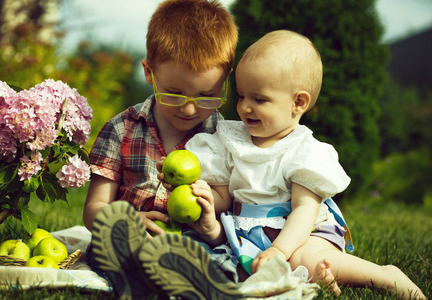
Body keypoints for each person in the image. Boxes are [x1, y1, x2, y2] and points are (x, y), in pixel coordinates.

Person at [177, 30, 426, 299]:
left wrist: (280, 251)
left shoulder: (302, 151)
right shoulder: (231, 141)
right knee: (222, 268)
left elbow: (305, 210)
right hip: (252, 234)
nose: (245, 107)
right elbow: (225, 197)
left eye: (258, 99)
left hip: (302, 232)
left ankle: (385, 275)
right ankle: (315, 278)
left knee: (302, 257)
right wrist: (208, 200)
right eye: (241, 96)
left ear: (298, 102)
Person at [82, 0, 244, 299]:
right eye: (174, 93)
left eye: (207, 95)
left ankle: (187, 280)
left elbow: (227, 203)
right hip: (130, 240)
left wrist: (211, 204)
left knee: (211, 256)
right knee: (116, 240)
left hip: (192, 242)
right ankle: (143, 275)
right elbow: (94, 208)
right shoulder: (121, 130)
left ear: (225, 79)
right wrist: (128, 221)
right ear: (149, 72)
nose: (190, 108)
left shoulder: (227, 138)